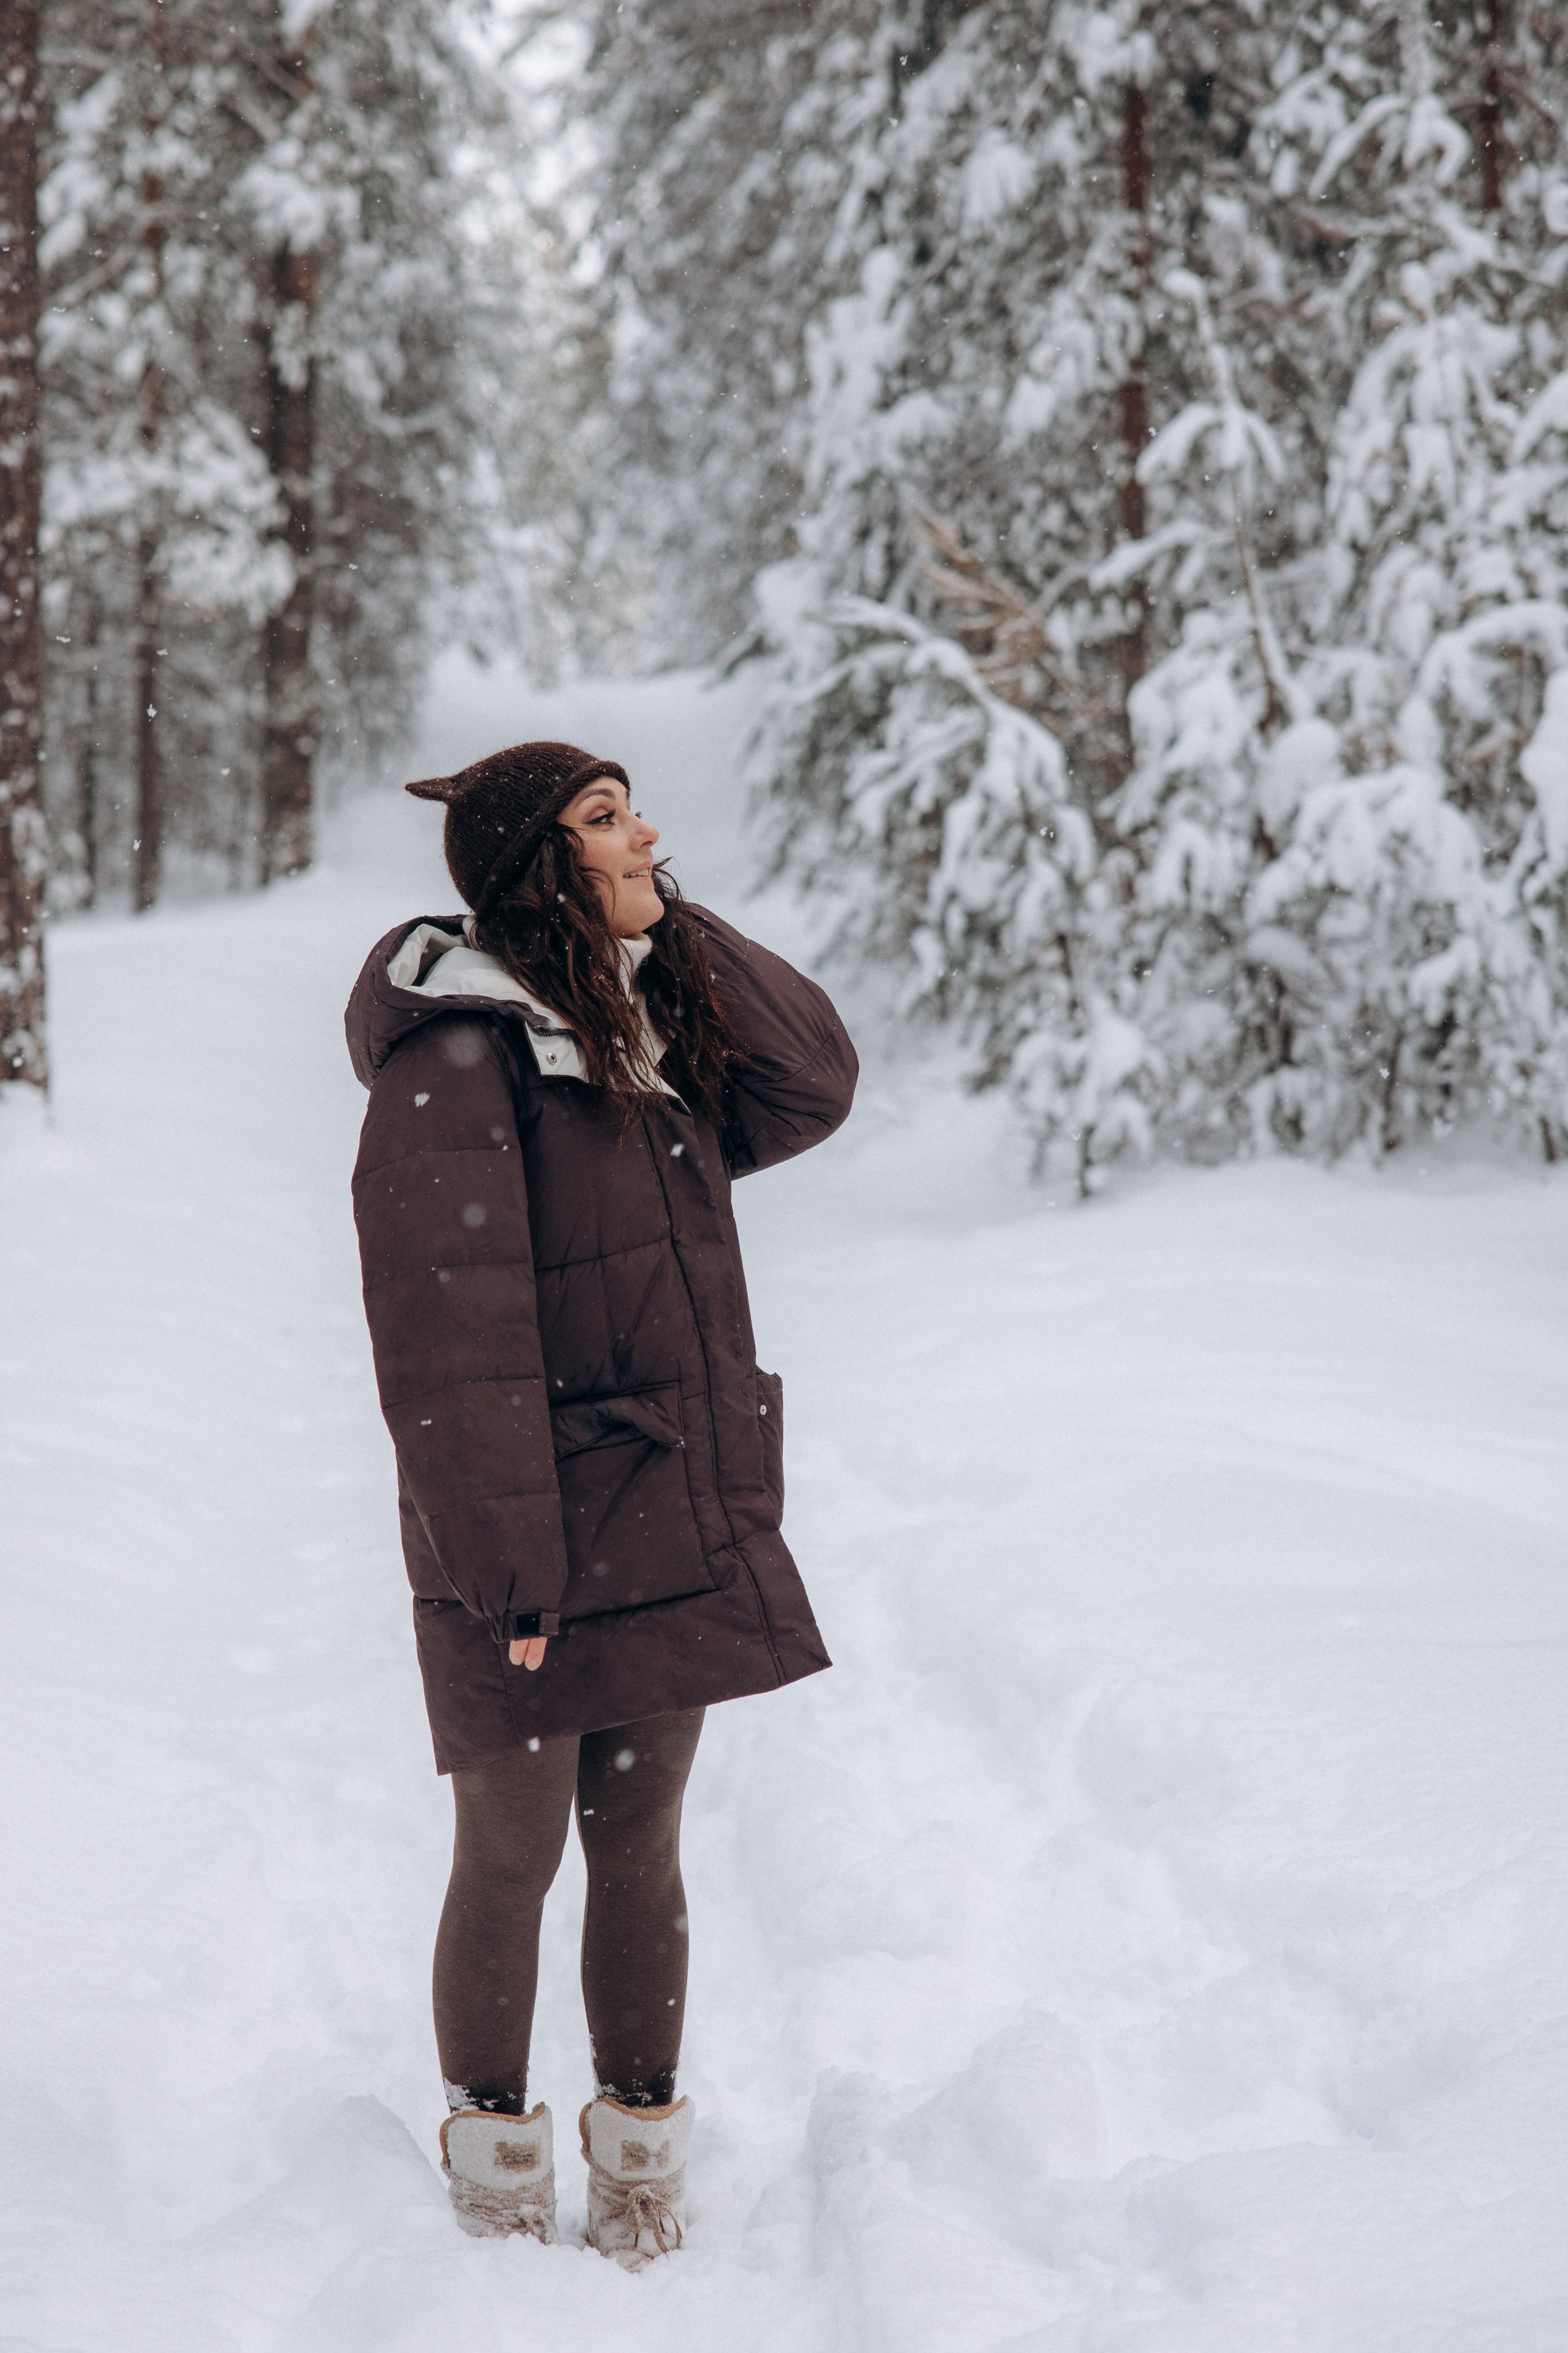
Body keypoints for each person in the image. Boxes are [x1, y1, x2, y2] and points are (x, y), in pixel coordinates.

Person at [344, 741, 856, 2264]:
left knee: (642, 1833)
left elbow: (810, 1083)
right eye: (606, 819)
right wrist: (509, 1571)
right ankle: (495, 2177)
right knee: (512, 1852)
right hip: (522, 1536)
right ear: (537, 866)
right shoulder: (455, 1059)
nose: (645, 832)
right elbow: (446, 1336)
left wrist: (661, 915)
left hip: (655, 1494)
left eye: (632, 812)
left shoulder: (629, 1036)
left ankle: (637, 2167)